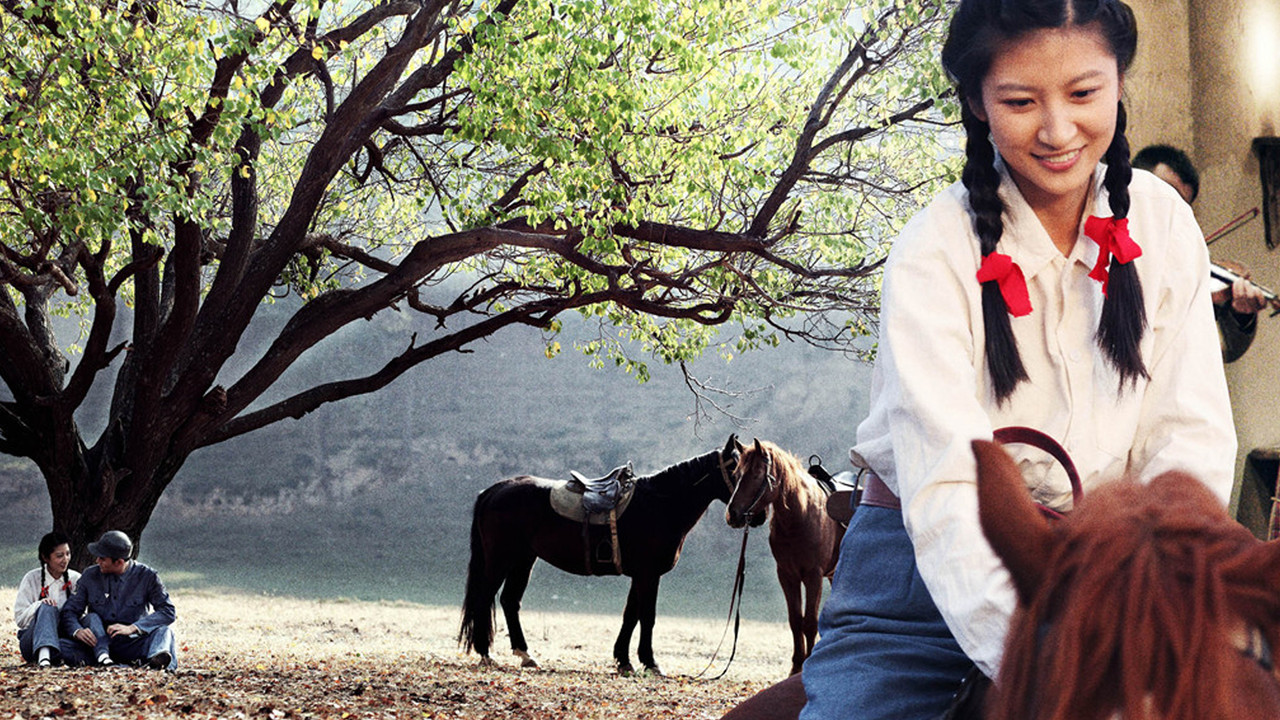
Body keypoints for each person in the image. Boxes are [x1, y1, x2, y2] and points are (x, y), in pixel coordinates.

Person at [723, 1, 1235, 718]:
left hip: (1114, 569)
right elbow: (949, 495)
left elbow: (1189, 445)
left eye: (1084, 94)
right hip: (923, 574)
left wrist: (1158, 605)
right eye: (1022, 101)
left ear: (1119, 82)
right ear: (975, 100)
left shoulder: (1165, 226)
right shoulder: (933, 252)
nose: (1058, 130)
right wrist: (1048, 662)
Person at [1132, 143, 1268, 362]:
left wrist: (1241, 316)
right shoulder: (1096, 245)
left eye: (1182, 206)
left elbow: (1222, 349)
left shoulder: (1185, 270)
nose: (1171, 211)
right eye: (1165, 194)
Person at [59, 530, 178, 671]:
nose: (97, 561)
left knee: (165, 632)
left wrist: (133, 628)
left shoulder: (147, 576)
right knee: (58, 645)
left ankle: (156, 662)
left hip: (133, 643)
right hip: (97, 643)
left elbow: (168, 612)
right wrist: (77, 630)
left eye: (102, 559)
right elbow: (70, 611)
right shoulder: (89, 575)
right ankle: (114, 661)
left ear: (119, 562)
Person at [13, 532, 82, 667]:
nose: (65, 559)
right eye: (59, 556)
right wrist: (40, 605)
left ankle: (54, 654)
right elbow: (20, 619)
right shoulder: (31, 578)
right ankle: (44, 656)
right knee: (47, 607)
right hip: (32, 643)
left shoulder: (76, 579)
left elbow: (81, 614)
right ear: (45, 557)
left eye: (67, 554)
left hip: (63, 638)